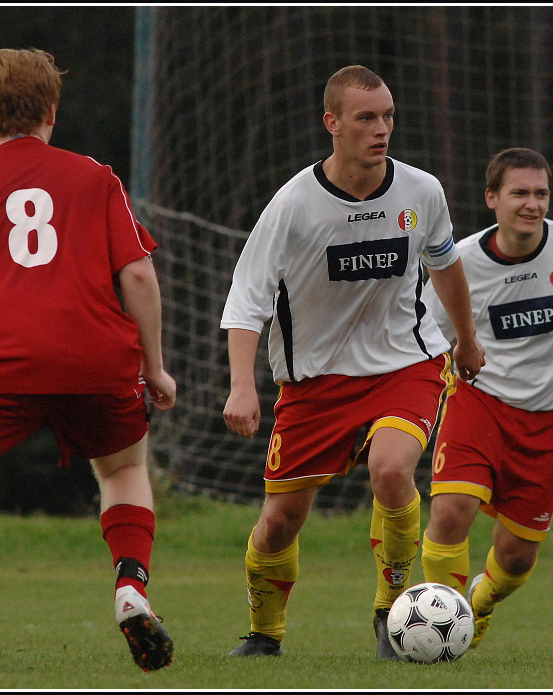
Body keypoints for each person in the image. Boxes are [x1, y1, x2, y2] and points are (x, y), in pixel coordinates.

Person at [220, 65, 485, 660]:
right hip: (315, 382)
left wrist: (466, 340)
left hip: (406, 363)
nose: (381, 128)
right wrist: (242, 386)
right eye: (366, 117)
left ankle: (392, 609)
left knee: (391, 471)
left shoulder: (422, 191)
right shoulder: (293, 205)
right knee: (280, 522)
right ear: (332, 123)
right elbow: (246, 301)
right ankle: (264, 632)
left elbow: (445, 264)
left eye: (388, 116)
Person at [0, 48, 177, 672]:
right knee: (123, 470)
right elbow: (139, 275)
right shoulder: (96, 178)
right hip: (92, 360)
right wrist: (154, 367)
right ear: (52, 110)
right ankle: (131, 588)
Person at [420, 147, 553, 649]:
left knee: (516, 557)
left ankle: (477, 604)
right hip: (480, 400)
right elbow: (426, 330)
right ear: (492, 198)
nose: (532, 204)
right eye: (519, 193)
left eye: (541, 194)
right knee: (450, 512)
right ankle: (440, 628)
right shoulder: (461, 262)